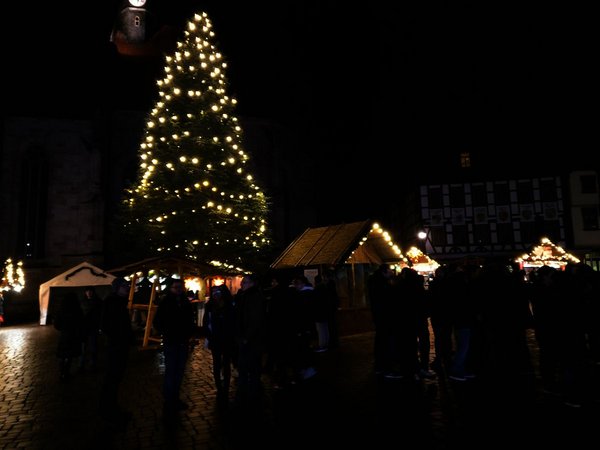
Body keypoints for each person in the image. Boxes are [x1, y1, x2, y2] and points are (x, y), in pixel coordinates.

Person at [153, 277, 196, 413]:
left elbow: (190, 320)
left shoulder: (185, 303)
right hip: (171, 341)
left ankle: (175, 398)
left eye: (180, 287)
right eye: (175, 288)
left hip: (182, 341)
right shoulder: (166, 302)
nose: (178, 290)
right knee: (171, 371)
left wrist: (189, 334)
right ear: (171, 288)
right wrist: (167, 332)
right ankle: (169, 399)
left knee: (179, 371)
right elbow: (157, 321)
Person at [99, 277, 134, 425]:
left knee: (115, 379)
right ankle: (109, 410)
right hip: (115, 347)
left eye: (127, 285)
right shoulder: (113, 303)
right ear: (117, 288)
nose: (127, 288)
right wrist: (120, 337)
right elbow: (109, 325)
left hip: (118, 346)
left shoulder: (117, 302)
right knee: (112, 379)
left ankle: (111, 408)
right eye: (124, 286)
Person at [234, 274, 267, 406]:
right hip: (248, 338)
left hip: (250, 339)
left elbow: (254, 319)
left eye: (245, 283)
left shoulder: (253, 297)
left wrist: (246, 337)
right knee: (249, 366)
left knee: (249, 366)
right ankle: (250, 393)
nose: (242, 285)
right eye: (242, 283)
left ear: (252, 283)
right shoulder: (245, 296)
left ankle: (249, 395)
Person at [203, 284, 236, 400]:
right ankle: (219, 386)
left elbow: (233, 323)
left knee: (226, 363)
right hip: (215, 339)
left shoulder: (229, 305)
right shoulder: (210, 306)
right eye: (214, 293)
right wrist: (209, 336)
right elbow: (206, 322)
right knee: (217, 363)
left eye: (218, 292)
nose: (215, 295)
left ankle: (225, 386)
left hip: (227, 339)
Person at [54, 292, 84, 381]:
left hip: (64, 335)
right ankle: (66, 372)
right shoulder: (77, 309)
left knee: (63, 355)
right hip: (74, 335)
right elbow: (81, 322)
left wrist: (63, 329)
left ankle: (62, 372)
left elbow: (56, 324)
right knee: (69, 355)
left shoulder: (61, 309)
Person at [79, 286, 102, 371]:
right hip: (84, 327)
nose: (89, 293)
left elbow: (100, 315)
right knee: (83, 347)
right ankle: (81, 364)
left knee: (93, 346)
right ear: (85, 292)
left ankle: (93, 364)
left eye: (90, 291)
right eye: (87, 291)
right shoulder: (82, 302)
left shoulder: (98, 302)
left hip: (93, 327)